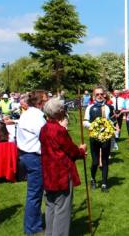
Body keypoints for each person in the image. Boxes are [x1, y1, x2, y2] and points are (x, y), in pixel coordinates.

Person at [40, 98, 86, 236]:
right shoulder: (59, 130)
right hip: (61, 174)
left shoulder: (44, 128)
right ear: (59, 112)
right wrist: (82, 151)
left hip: (48, 173)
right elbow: (71, 150)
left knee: (51, 206)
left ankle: (50, 233)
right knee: (62, 209)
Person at [17, 90, 48, 235]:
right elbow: (45, 137)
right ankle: (33, 228)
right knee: (35, 194)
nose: (48, 102)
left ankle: (33, 224)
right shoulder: (36, 116)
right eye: (46, 100)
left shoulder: (28, 113)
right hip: (34, 157)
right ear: (40, 102)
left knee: (34, 193)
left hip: (25, 155)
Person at [82, 87, 116, 193]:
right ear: (93, 96)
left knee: (105, 161)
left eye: (101, 94)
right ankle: (93, 179)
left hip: (106, 137)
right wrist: (94, 125)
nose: (100, 96)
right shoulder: (90, 108)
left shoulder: (108, 107)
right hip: (94, 137)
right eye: (97, 94)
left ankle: (104, 184)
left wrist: (111, 125)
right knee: (95, 162)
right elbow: (85, 122)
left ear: (104, 95)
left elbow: (110, 120)